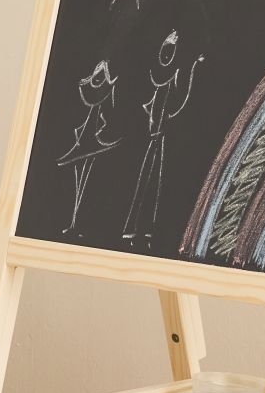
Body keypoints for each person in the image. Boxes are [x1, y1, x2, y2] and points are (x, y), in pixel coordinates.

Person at [123, 31, 202, 246]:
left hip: (165, 137)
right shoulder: (162, 80)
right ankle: (138, 228)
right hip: (157, 137)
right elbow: (160, 98)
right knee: (149, 182)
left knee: (157, 183)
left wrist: (192, 64)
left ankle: (148, 229)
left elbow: (179, 101)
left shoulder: (175, 78)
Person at [58, 61, 120, 235]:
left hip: (94, 144)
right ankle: (74, 223)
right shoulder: (95, 98)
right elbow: (88, 89)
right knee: (79, 181)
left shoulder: (105, 96)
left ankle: (78, 223)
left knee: (85, 182)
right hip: (85, 144)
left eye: (101, 76)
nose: (97, 80)